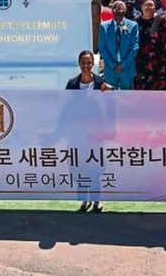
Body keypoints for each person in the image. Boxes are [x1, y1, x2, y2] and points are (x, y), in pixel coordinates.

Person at [65, 49, 112, 211]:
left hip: (95, 135)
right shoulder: (71, 84)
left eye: (89, 62)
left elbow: (112, 105)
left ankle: (97, 200)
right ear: (79, 64)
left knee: (95, 168)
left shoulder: (102, 83)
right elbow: (66, 109)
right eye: (83, 62)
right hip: (76, 135)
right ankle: (84, 200)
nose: (86, 65)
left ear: (93, 64)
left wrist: (109, 92)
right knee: (79, 168)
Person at [98, 0, 139, 90]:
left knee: (127, 99)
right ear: (111, 10)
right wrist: (112, 65)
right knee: (110, 99)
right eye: (115, 6)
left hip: (127, 69)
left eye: (121, 6)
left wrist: (123, 65)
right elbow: (102, 48)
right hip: (110, 69)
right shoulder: (104, 26)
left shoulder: (132, 25)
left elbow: (134, 47)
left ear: (125, 9)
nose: (118, 7)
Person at [134, 0, 166, 90]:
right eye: (146, 5)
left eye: (151, 5)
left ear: (155, 8)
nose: (148, 7)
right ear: (141, 7)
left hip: (159, 61)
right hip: (141, 61)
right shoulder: (135, 22)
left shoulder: (159, 20)